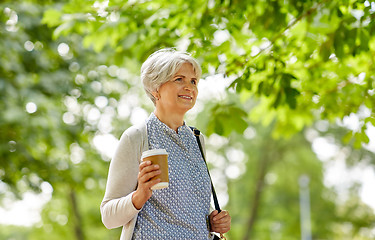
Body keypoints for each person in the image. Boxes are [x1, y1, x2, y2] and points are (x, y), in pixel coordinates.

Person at [100, 48, 231, 240]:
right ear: (155, 88)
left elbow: (188, 208)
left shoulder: (197, 138)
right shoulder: (136, 137)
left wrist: (212, 220)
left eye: (193, 81)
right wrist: (140, 195)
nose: (189, 87)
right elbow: (108, 216)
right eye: (179, 79)